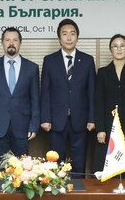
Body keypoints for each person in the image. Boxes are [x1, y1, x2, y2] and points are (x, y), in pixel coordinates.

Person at [0, 27, 40, 177]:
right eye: (7, 40)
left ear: (20, 43)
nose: (11, 43)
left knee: (22, 172)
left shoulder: (32, 68)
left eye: (15, 40)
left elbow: (35, 99)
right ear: (2, 43)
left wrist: (34, 125)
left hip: (22, 127)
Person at [40, 18, 95, 178]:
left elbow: (91, 92)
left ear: (77, 37)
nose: (69, 37)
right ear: (59, 38)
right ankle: (55, 191)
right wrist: (45, 118)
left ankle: (79, 191)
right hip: (56, 121)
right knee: (55, 163)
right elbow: (45, 91)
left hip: (81, 120)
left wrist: (92, 118)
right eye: (65, 34)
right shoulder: (49, 60)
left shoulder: (87, 60)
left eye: (72, 34)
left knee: (79, 163)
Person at [93, 34, 125, 177]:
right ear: (111, 49)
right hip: (108, 124)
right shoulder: (102, 72)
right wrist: (100, 129)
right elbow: (99, 102)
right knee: (107, 163)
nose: (119, 49)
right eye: (115, 46)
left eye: (122, 46)